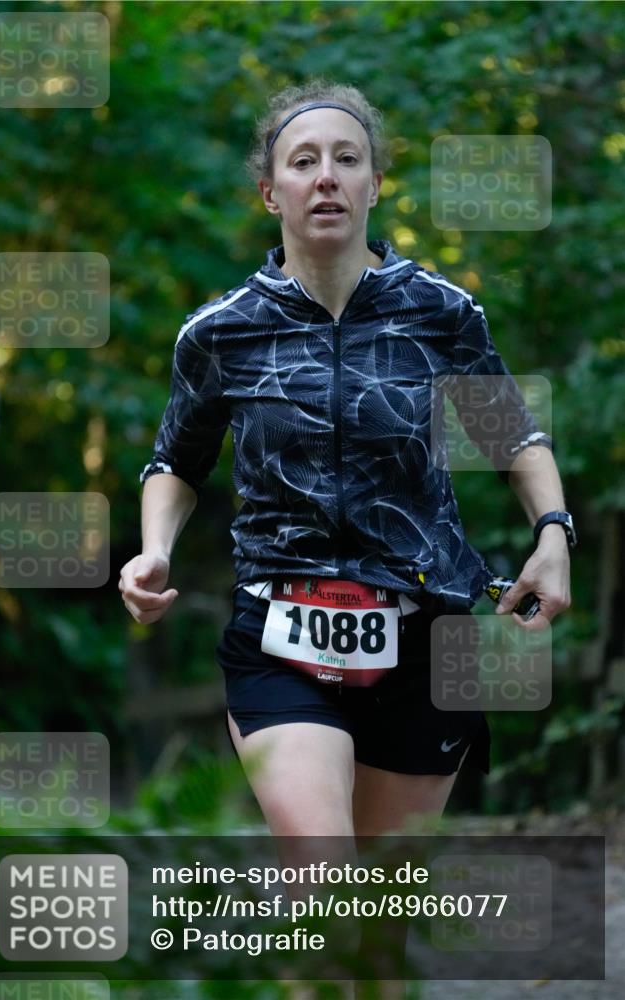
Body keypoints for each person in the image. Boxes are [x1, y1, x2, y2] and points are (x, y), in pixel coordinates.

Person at [119, 80, 572, 845]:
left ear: (373, 184)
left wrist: (553, 534)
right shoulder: (220, 332)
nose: (325, 175)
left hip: (424, 633)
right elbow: (176, 461)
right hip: (279, 632)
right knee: (322, 875)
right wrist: (154, 550)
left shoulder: (441, 312)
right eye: (302, 161)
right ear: (271, 192)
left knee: (376, 932)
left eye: (346, 158)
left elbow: (513, 438)